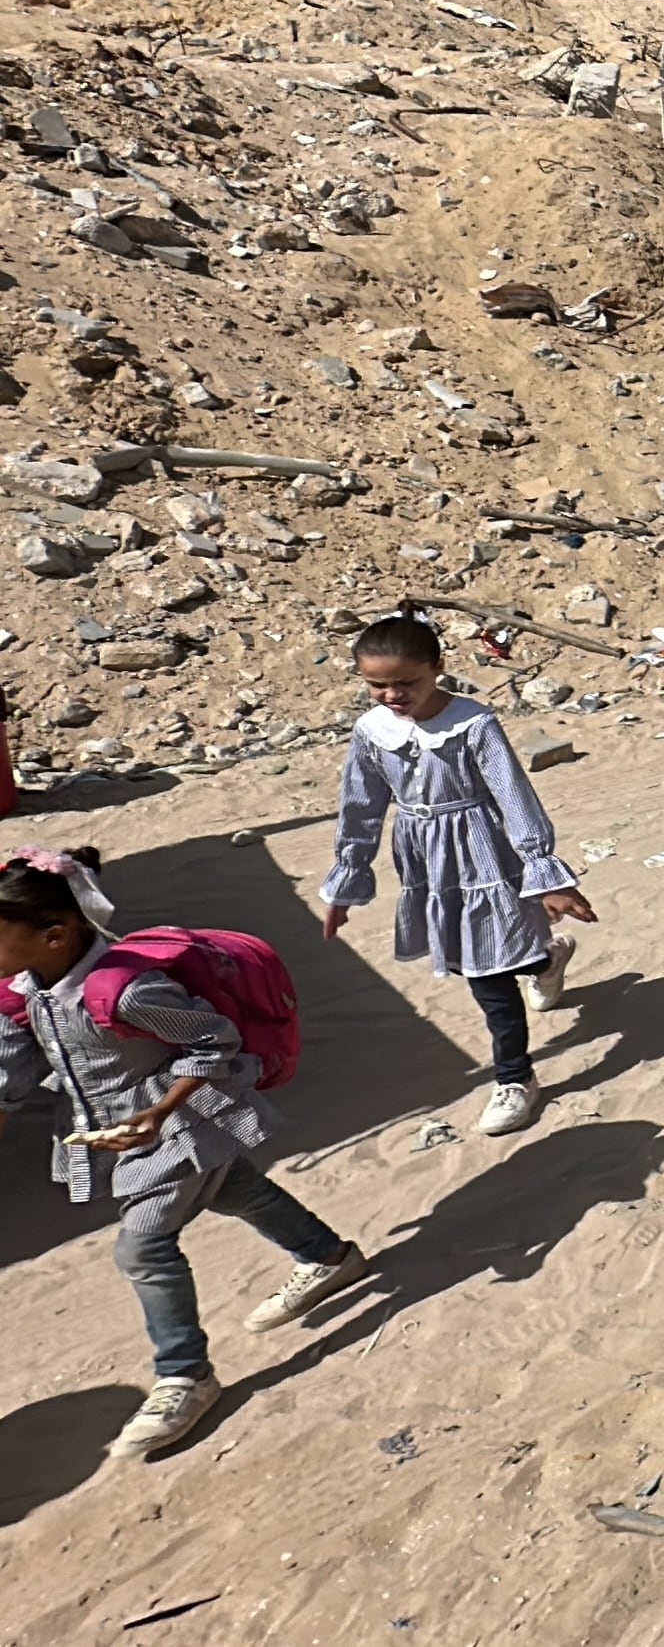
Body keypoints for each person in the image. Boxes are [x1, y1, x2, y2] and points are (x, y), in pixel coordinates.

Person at [1, 849, 372, 1459]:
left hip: (181, 1126)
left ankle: (185, 1375)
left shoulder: (127, 992)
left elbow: (212, 1041)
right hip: (129, 1131)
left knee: (142, 1247)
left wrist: (158, 1111)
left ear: (54, 935)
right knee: (234, 1188)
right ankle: (329, 1256)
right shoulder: (26, 992)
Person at [320, 615, 595, 1138]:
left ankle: (515, 1078)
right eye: (377, 684)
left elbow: (515, 797)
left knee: (488, 972)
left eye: (406, 683)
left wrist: (546, 874)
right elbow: (360, 807)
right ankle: (546, 958)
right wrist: (346, 884)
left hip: (487, 856)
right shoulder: (372, 731)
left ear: (437, 668)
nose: (392, 695)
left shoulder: (474, 723)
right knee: (475, 955)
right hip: (426, 861)